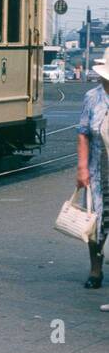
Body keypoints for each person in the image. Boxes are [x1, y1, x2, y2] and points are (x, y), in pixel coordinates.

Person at [75, 59, 109, 289]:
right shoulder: (92, 97)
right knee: (94, 222)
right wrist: (82, 168)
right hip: (98, 170)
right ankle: (95, 268)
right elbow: (83, 133)